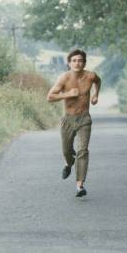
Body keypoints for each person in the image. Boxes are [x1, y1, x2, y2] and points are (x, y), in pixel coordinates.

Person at [46, 49, 101, 197]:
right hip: (68, 119)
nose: (77, 63)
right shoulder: (64, 78)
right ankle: (69, 163)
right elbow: (50, 97)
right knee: (66, 150)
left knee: (83, 151)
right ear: (69, 63)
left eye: (80, 60)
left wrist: (95, 95)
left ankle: (80, 186)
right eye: (74, 61)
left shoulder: (91, 76)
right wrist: (68, 94)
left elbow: (98, 81)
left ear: (84, 63)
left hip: (84, 119)